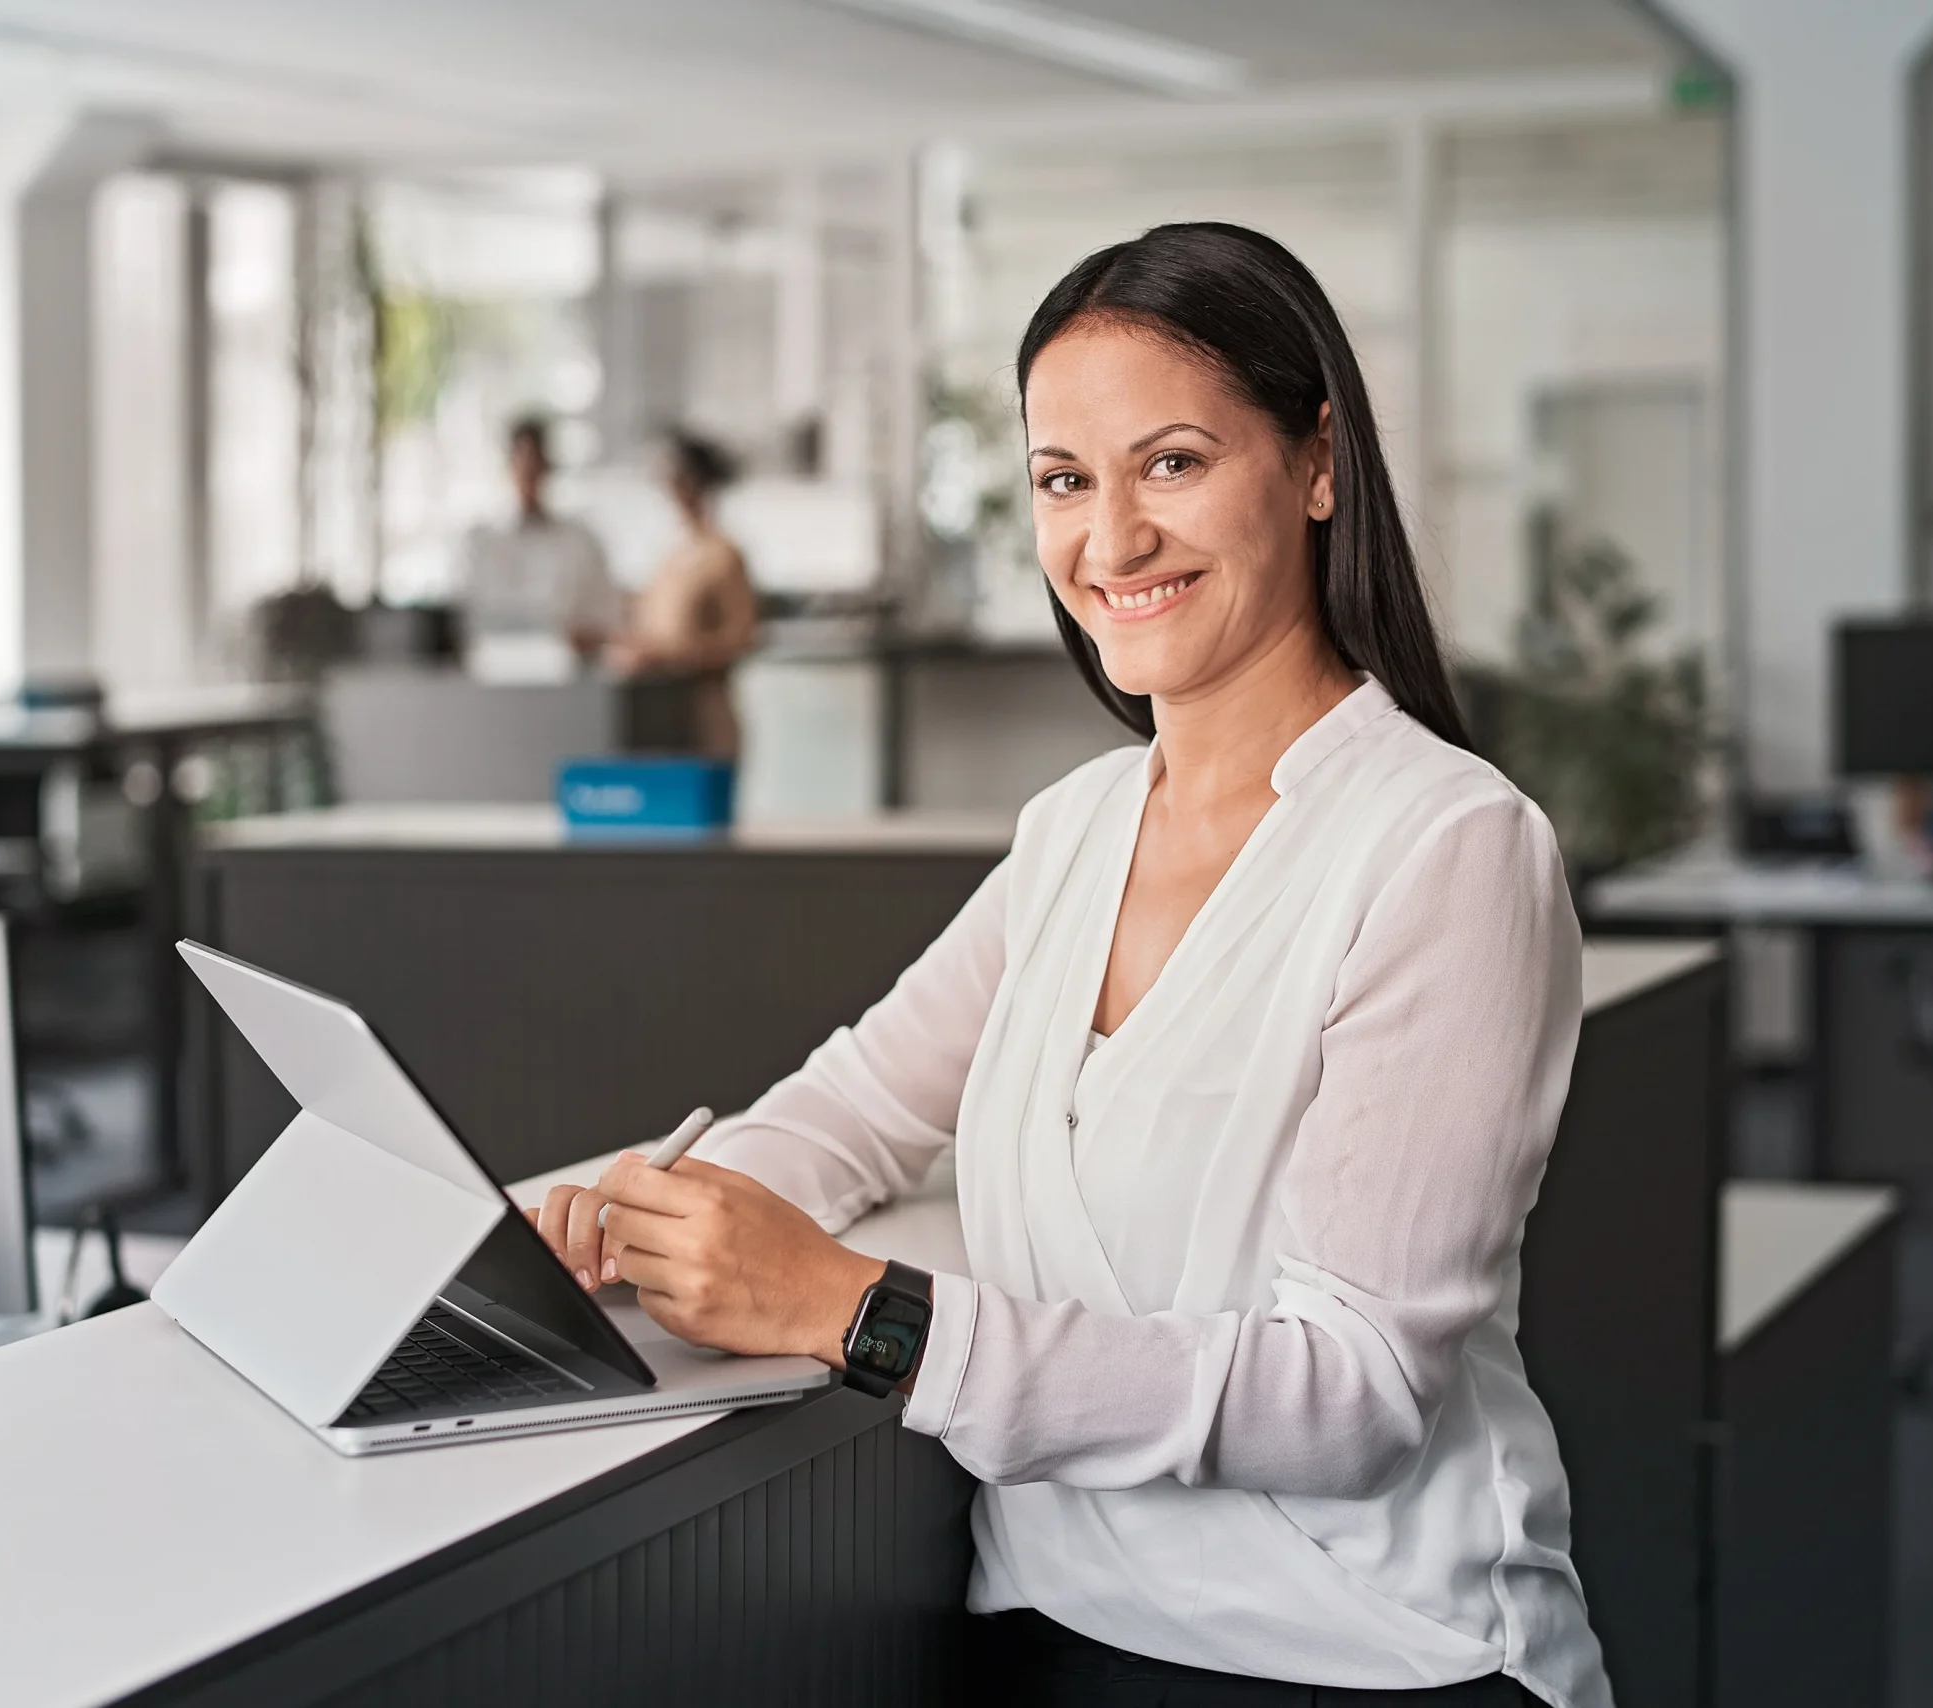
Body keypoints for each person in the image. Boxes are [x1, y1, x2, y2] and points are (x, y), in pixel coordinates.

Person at [535, 223, 1604, 1707]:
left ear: (1316, 464)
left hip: (1361, 1653)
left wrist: (860, 1311)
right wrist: (623, 1220)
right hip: (1050, 1626)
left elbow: (1352, 1398)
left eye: (1172, 463)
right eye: (1063, 481)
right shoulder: (1076, 830)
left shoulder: (1446, 848)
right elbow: (857, 1110)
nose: (1110, 541)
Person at [607, 428, 759, 756]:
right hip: (662, 710)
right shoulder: (671, 557)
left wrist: (668, 655)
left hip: (706, 712)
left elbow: (740, 639)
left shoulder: (723, 555)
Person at [457, 415, 622, 679]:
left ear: (548, 467)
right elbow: (464, 621)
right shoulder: (479, 543)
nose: (529, 473)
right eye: (522, 462)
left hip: (568, 681)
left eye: (536, 463)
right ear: (509, 466)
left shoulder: (580, 541)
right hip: (490, 678)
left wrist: (579, 639)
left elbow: (605, 620)